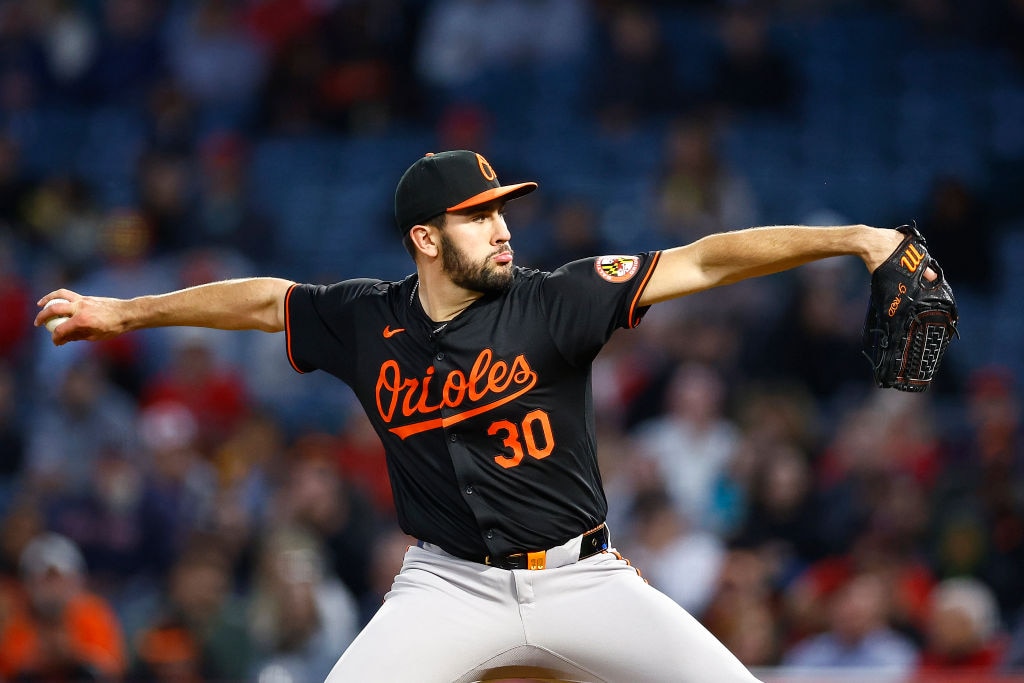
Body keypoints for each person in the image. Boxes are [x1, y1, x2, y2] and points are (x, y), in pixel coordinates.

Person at [34, 149, 920, 682]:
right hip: (447, 584)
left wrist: (853, 240)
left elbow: (704, 259)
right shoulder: (364, 319)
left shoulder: (557, 299)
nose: (502, 228)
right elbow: (265, 301)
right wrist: (123, 311)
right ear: (426, 238)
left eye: (503, 210)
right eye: (478, 215)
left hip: (583, 577)